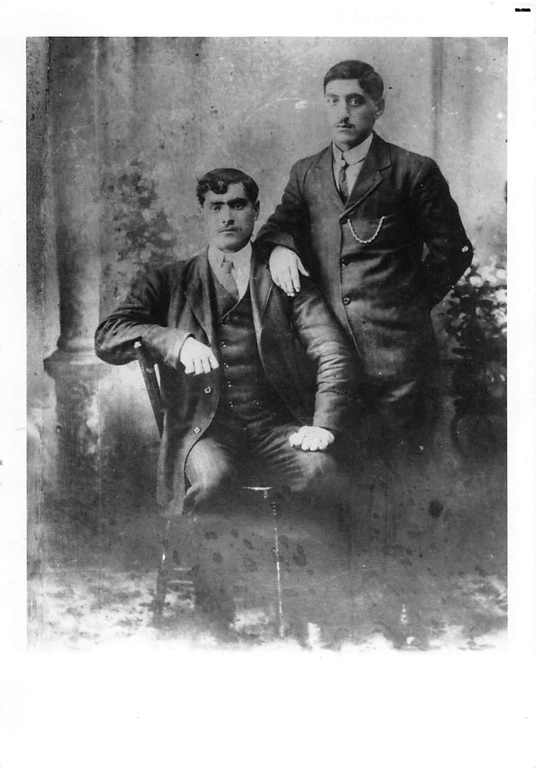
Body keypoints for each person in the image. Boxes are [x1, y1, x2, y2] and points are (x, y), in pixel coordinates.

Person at [95, 168, 358, 517]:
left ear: (256, 210)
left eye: (237, 205)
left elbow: (332, 352)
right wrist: (176, 342)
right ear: (202, 213)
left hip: (276, 426)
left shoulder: (283, 275)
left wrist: (323, 425)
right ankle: (210, 570)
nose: (227, 216)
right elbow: (108, 334)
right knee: (213, 480)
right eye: (216, 207)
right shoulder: (169, 280)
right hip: (203, 430)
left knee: (321, 473)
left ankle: (296, 570)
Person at [256, 60, 474, 450]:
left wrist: (406, 305)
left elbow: (454, 250)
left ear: (378, 106)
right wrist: (280, 248)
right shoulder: (306, 172)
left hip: (399, 362)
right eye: (333, 101)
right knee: (340, 481)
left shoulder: (412, 170)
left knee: (399, 476)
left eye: (355, 100)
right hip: (330, 363)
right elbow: (279, 223)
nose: (343, 112)